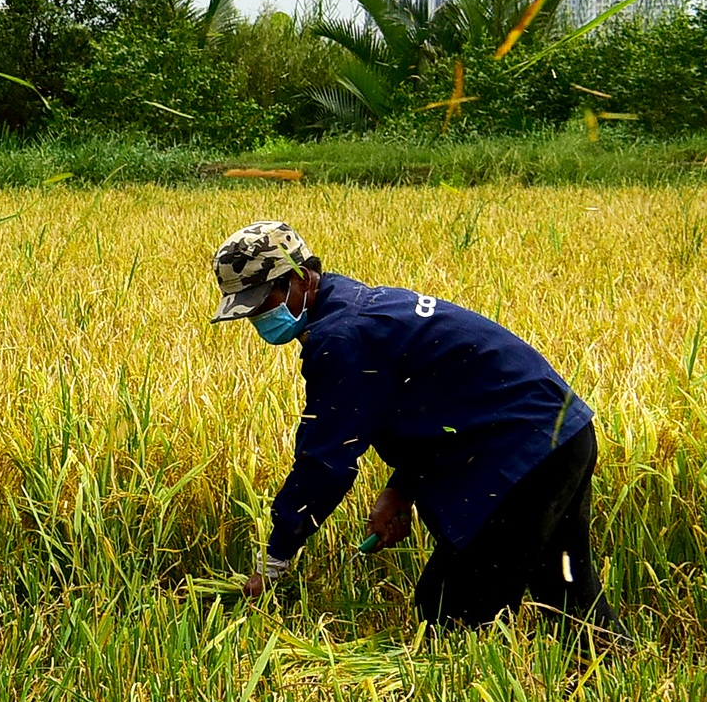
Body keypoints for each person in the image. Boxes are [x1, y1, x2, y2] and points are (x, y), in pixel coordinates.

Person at [208, 218, 612, 634]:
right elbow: (436, 413)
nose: (257, 317)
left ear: (299, 277)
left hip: (524, 450)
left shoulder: (343, 336)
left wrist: (277, 556)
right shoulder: (355, 309)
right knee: (567, 590)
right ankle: (603, 673)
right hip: (560, 435)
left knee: (451, 607)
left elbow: (325, 461)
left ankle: (462, 692)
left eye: (262, 303)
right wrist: (401, 489)